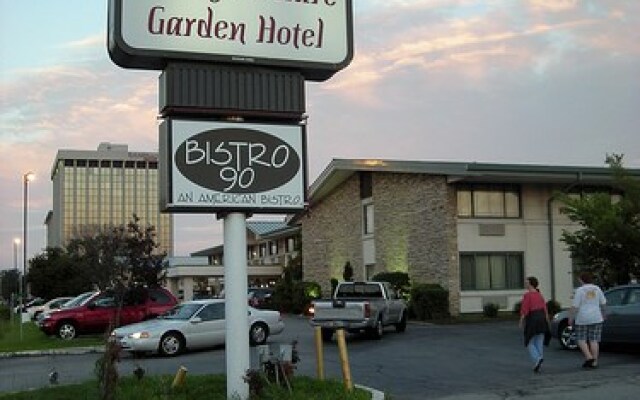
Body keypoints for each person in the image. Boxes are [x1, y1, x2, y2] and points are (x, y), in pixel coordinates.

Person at [569, 271, 606, 369]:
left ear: (581, 280)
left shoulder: (580, 290)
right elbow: (603, 303)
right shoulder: (597, 289)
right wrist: (604, 314)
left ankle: (589, 357)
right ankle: (595, 362)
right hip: (596, 316)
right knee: (594, 340)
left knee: (581, 339)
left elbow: (575, 306)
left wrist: (570, 318)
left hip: (583, 317)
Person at [519, 276, 550, 373]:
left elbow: (525, 308)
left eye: (527, 282)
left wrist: (521, 319)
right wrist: (547, 318)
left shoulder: (528, 295)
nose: (525, 284)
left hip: (533, 318)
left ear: (531, 284)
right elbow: (544, 307)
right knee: (539, 340)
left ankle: (537, 358)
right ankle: (539, 359)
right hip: (541, 318)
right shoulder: (539, 294)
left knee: (529, 341)